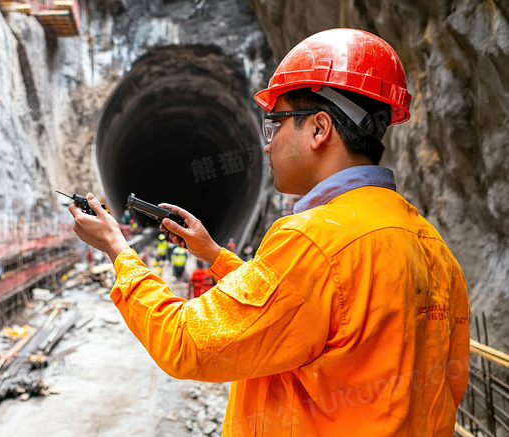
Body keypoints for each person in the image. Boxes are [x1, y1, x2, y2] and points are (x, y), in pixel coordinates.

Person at [67, 28, 469, 436]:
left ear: (319, 129)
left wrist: (117, 249)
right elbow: (310, 310)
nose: (266, 145)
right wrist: (213, 253)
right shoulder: (432, 248)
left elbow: (187, 343)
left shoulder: (314, 240)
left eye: (274, 124)